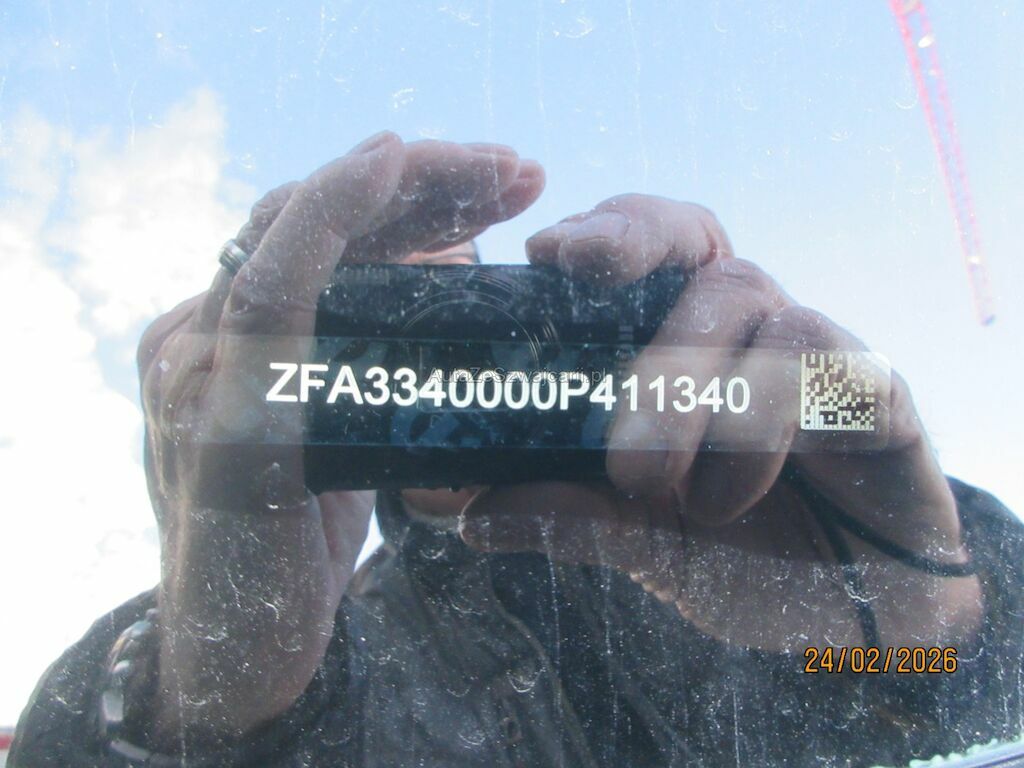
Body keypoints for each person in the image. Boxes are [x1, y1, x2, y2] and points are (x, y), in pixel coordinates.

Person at [9, 132, 1024, 767]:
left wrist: (941, 625)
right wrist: (199, 699)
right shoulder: (340, 648)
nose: (430, 335)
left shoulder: (727, 525)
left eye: (460, 293)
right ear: (296, 360)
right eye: (372, 305)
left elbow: (962, 693)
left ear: (533, 304)